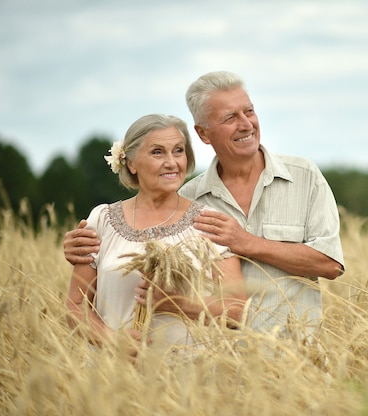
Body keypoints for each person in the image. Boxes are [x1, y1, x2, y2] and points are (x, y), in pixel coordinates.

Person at [64, 71, 344, 338]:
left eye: (249, 111)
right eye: (230, 117)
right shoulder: (188, 199)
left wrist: (245, 241)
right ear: (203, 134)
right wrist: (84, 249)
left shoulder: (304, 176)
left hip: (298, 357)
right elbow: (81, 300)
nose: (246, 124)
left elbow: (330, 264)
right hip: (219, 366)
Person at [65, 114, 247, 358]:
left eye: (178, 151)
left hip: (188, 381)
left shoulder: (209, 222)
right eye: (158, 152)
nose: (172, 162)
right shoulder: (101, 220)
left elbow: (237, 311)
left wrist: (179, 304)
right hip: (112, 381)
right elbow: (75, 306)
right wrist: (111, 339)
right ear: (131, 163)